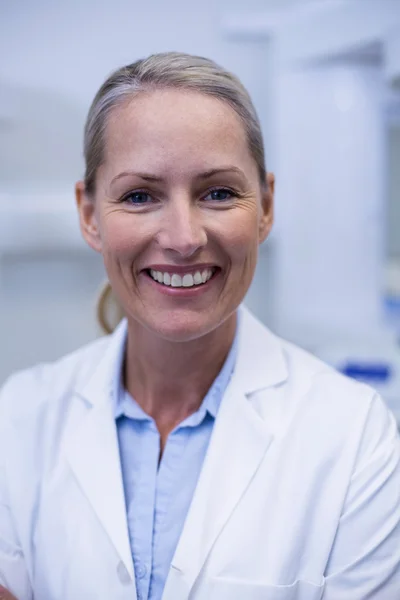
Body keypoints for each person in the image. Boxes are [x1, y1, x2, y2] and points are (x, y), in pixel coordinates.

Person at [0, 52, 399, 600]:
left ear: (265, 206)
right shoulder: (19, 420)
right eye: (140, 195)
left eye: (218, 193)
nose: (184, 238)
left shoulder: (357, 440)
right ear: (90, 214)